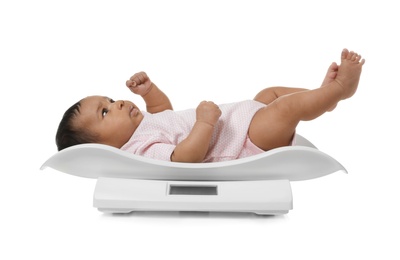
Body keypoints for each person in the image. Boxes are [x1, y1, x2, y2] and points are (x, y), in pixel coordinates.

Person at [56, 48, 365, 163]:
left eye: (109, 100)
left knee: (270, 93)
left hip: (241, 120)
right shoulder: (139, 151)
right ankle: (339, 90)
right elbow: (185, 157)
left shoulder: (145, 127)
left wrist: (149, 92)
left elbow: (166, 113)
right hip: (246, 141)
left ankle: (323, 98)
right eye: (106, 112)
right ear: (104, 147)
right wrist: (204, 123)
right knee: (283, 110)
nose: (118, 102)